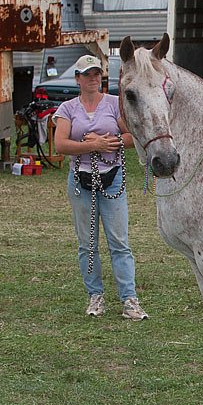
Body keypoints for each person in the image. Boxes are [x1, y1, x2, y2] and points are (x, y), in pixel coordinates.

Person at [53, 55, 148, 321]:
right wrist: (90, 146)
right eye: (87, 74)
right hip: (81, 179)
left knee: (119, 241)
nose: (93, 78)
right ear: (78, 79)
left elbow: (133, 136)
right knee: (87, 242)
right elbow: (60, 144)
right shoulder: (68, 108)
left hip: (112, 177)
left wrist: (111, 142)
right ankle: (95, 295)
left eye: (96, 73)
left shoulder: (114, 104)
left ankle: (129, 299)